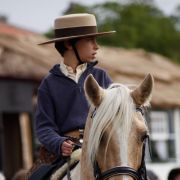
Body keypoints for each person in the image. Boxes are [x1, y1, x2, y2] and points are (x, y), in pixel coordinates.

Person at [35, 13, 115, 159]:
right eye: (90, 40)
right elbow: (44, 127)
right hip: (65, 153)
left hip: (102, 149)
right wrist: (59, 143)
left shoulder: (102, 77)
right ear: (68, 44)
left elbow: (116, 116)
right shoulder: (48, 84)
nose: (96, 46)